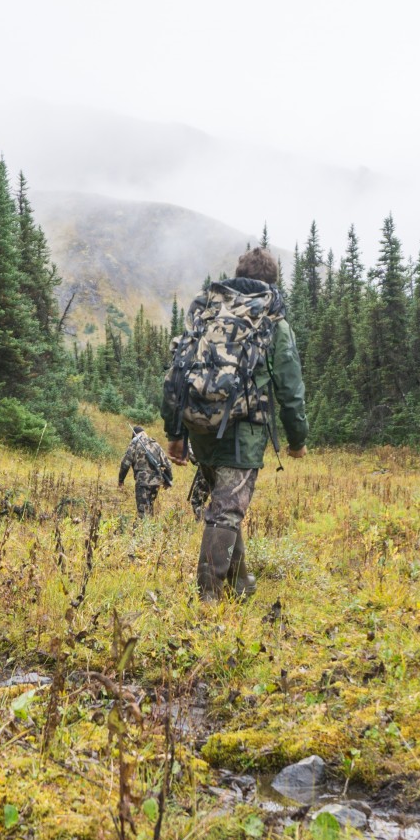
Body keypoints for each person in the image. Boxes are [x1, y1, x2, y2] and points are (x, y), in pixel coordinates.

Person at [164, 248, 308, 599]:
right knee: (226, 511)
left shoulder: (208, 311)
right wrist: (297, 439)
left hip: (200, 427)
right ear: (271, 281)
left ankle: (239, 583)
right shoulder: (273, 321)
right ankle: (208, 598)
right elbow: (290, 388)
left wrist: (175, 433)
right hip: (243, 430)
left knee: (224, 505)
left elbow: (177, 372)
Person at [117, 425, 174, 517]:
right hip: (156, 482)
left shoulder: (135, 443)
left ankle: (144, 529)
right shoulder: (155, 444)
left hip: (143, 481)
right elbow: (167, 464)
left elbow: (125, 463)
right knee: (150, 507)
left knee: (143, 511)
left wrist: (121, 481)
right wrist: (168, 479)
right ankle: (151, 529)